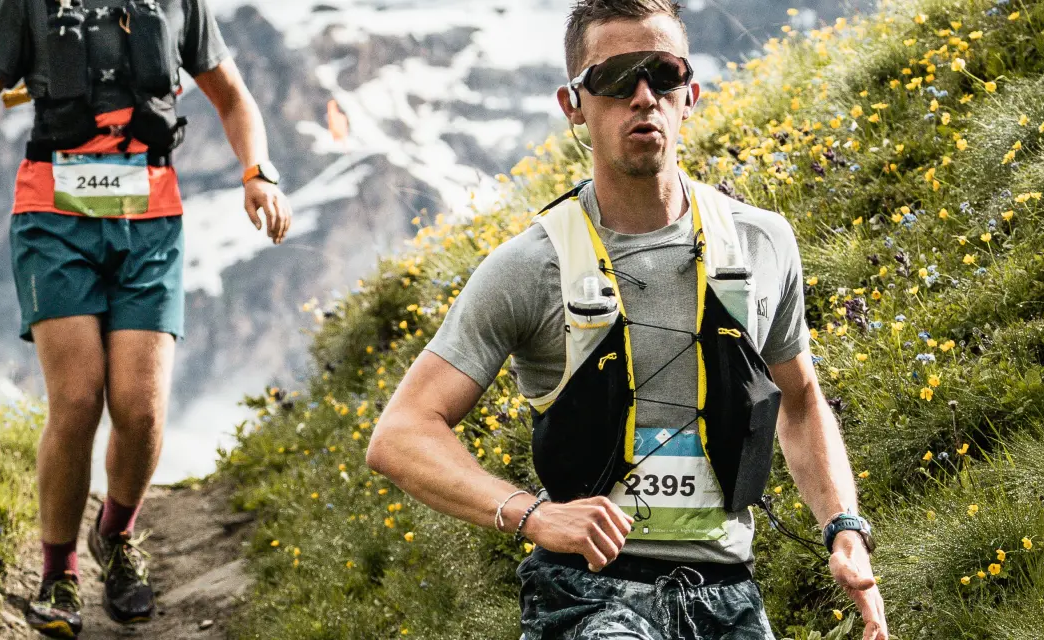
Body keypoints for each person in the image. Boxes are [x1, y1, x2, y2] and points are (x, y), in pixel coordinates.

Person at [364, 1, 889, 638]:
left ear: (689, 94)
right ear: (573, 104)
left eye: (662, 73)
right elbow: (401, 434)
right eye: (614, 77)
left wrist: (845, 530)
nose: (643, 96)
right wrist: (532, 516)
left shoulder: (762, 243)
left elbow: (800, 405)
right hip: (585, 596)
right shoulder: (531, 266)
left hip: (728, 594)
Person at [0, 0, 292, 635]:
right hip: (53, 221)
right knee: (76, 400)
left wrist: (257, 171)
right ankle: (59, 572)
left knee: (141, 408)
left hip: (151, 225)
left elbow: (232, 96)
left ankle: (117, 535)